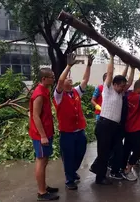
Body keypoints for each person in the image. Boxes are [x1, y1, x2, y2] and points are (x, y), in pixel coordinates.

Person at [90, 53, 133, 185]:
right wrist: (112, 57)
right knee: (103, 152)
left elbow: (128, 81)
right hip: (104, 125)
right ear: (113, 84)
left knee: (114, 150)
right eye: (120, 86)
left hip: (114, 127)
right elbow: (110, 73)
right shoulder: (108, 90)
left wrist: (132, 67)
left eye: (123, 86)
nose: (122, 88)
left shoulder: (120, 94)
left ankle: (99, 168)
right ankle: (100, 178)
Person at [52, 53, 93, 190]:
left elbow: (85, 80)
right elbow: (59, 81)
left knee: (80, 152)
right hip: (67, 132)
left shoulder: (75, 92)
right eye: (67, 78)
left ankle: (72, 171)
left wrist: (88, 66)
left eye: (70, 78)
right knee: (68, 155)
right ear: (63, 84)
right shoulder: (58, 95)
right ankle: (69, 179)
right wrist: (69, 66)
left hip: (79, 130)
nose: (69, 79)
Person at [29, 68, 59, 200]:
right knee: (41, 161)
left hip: (47, 131)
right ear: (44, 79)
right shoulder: (39, 94)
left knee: (45, 160)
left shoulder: (45, 90)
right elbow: (35, 116)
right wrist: (42, 136)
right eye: (51, 77)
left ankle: (44, 186)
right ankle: (42, 192)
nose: (53, 79)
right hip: (41, 134)